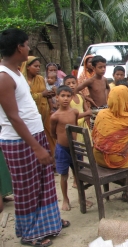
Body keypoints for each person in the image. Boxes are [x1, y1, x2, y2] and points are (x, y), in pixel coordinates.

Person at [0, 28, 69, 247]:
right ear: (19, 47)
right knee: (26, 188)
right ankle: (30, 234)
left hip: (35, 136)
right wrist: (37, 148)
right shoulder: (3, 77)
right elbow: (13, 117)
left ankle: (49, 223)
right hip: (20, 142)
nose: (29, 48)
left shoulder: (17, 72)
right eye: (27, 44)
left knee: (44, 182)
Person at [21, 56, 57, 159]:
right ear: (27, 67)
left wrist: (49, 95)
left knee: (51, 136)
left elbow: (45, 92)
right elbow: (26, 97)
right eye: (35, 66)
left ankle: (53, 160)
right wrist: (42, 94)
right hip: (31, 116)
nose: (38, 68)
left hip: (46, 113)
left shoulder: (40, 79)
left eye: (39, 66)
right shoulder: (22, 81)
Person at [75, 55, 110, 130]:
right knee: (95, 130)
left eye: (104, 67)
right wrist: (88, 99)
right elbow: (76, 90)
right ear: (94, 68)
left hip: (105, 108)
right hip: (95, 109)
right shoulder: (91, 81)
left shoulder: (104, 79)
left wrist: (107, 96)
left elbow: (107, 88)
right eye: (100, 67)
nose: (103, 69)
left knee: (106, 129)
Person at [63, 75, 92, 144]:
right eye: (68, 84)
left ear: (77, 84)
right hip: (74, 127)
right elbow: (71, 116)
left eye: (73, 83)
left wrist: (83, 118)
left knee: (88, 146)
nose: (71, 85)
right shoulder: (67, 100)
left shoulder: (80, 96)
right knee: (78, 148)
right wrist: (85, 114)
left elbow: (89, 112)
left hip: (83, 125)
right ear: (64, 85)